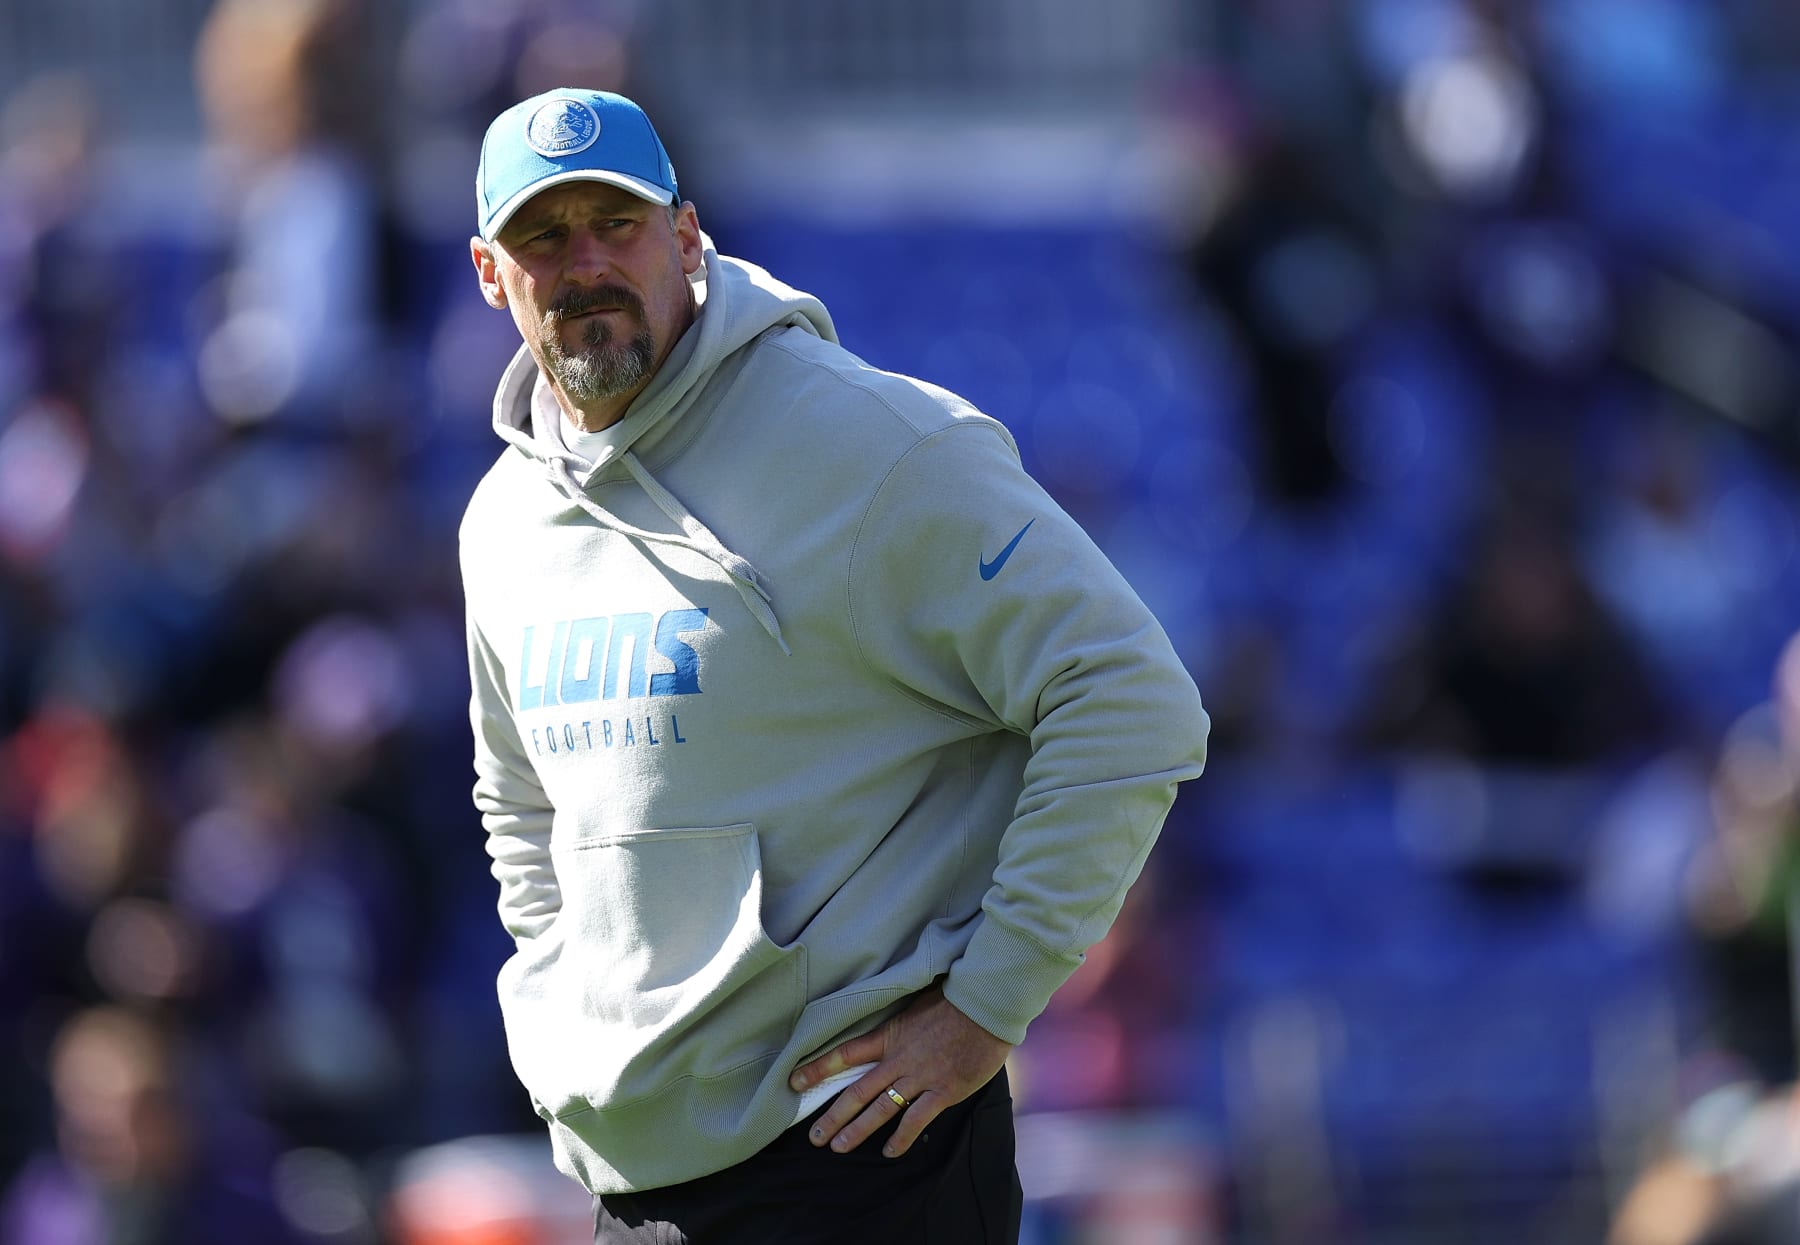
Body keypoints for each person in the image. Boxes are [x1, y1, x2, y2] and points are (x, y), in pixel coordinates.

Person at [460, 87, 1209, 1244]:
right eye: (544, 237)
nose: (586, 263)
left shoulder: (873, 445)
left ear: (688, 239)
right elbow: (522, 812)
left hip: (862, 1153)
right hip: (633, 1177)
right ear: (489, 273)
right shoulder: (502, 521)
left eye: (618, 223)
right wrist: (567, 1023)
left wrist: (984, 1010)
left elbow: (1129, 697)